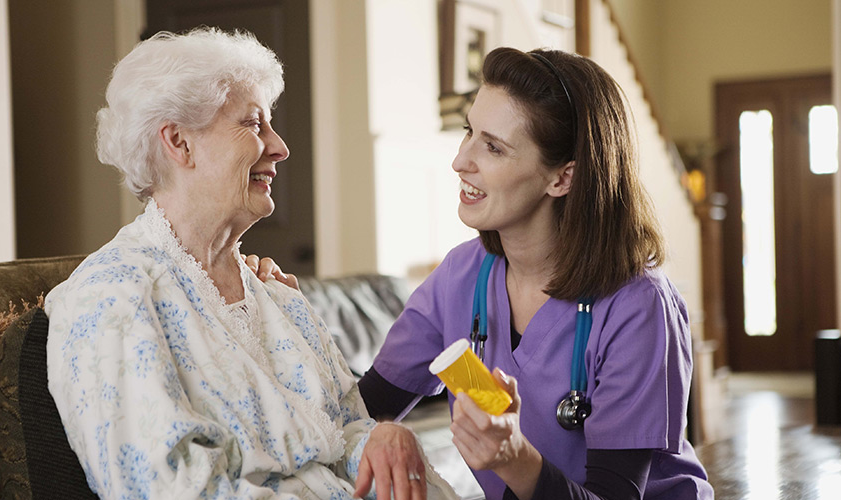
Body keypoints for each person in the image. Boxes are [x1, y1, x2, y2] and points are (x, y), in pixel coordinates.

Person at [252, 46, 714, 500]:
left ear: (562, 178)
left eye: (492, 147)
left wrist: (514, 458)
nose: (460, 161)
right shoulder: (462, 276)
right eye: (469, 132)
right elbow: (361, 411)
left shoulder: (639, 306)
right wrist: (284, 319)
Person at [44, 27, 457, 500]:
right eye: (254, 124)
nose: (280, 147)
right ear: (179, 142)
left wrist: (380, 440)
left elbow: (345, 429)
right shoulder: (109, 298)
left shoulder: (279, 296)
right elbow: (166, 489)